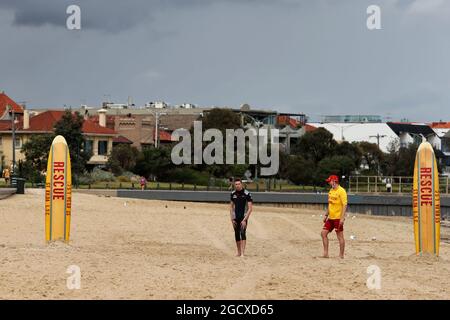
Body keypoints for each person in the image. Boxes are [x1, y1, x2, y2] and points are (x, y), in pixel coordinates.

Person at [321, 175, 348, 259]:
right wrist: (326, 215)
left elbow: (344, 205)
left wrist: (342, 218)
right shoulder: (331, 191)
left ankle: (341, 255)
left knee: (340, 236)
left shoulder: (342, 191)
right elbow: (330, 204)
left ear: (334, 181)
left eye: (330, 181)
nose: (329, 183)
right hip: (331, 218)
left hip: (337, 217)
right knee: (323, 233)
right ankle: (326, 253)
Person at [230, 178, 253, 257]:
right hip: (236, 218)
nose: (237, 185)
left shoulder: (247, 194)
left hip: (243, 217)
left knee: (242, 233)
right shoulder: (233, 194)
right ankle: (239, 252)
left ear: (241, 184)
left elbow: (250, 209)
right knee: (236, 234)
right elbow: (231, 207)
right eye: (236, 184)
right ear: (234, 185)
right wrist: (232, 219)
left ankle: (243, 253)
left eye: (238, 184)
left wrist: (245, 220)